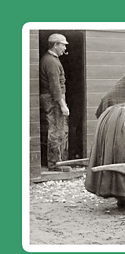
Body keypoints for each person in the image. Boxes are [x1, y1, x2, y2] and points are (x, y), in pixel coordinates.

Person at [85, 56, 125, 209]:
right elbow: (105, 107)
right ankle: (124, 196)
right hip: (118, 134)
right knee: (120, 160)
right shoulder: (119, 87)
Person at [39, 33, 71, 172]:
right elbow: (55, 87)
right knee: (56, 131)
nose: (64, 47)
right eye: (63, 44)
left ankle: (59, 162)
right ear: (55, 45)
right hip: (53, 100)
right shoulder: (51, 61)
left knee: (58, 130)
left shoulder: (51, 59)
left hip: (52, 99)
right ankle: (55, 164)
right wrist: (63, 105)